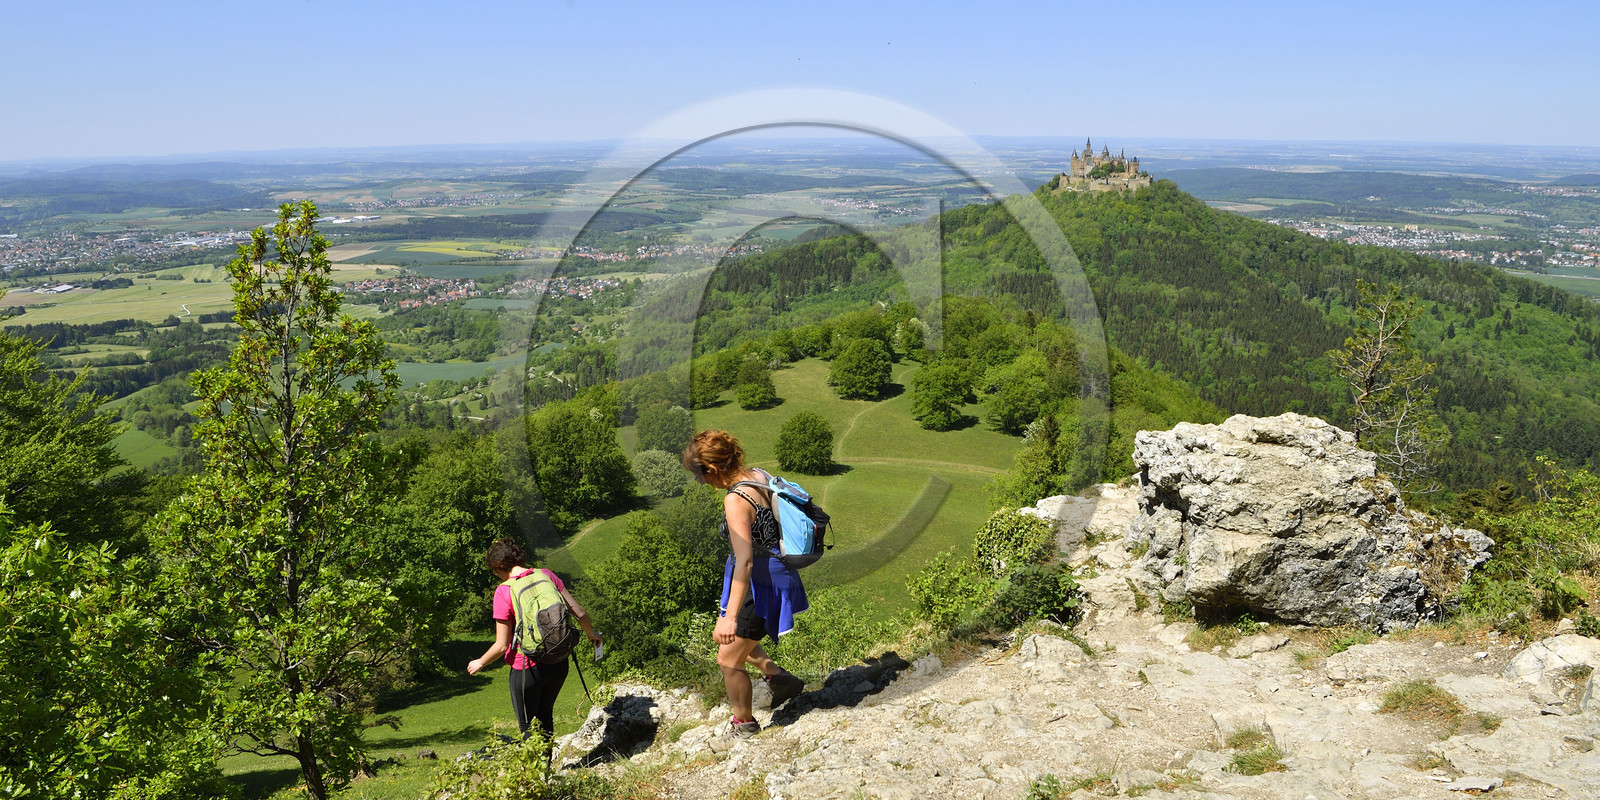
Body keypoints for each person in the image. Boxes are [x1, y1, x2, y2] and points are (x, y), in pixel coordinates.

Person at [682, 429, 807, 743]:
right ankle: (780, 679)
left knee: (727, 658)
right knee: (741, 643)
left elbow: (745, 560)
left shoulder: (736, 499)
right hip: (777, 572)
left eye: (699, 477)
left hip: (758, 583)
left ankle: (744, 725)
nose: (700, 482)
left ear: (711, 470)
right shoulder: (759, 476)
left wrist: (730, 615)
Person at [467, 537, 601, 742]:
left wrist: (480, 662)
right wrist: (593, 635)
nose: (495, 576)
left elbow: (502, 645)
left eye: (493, 571)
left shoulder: (504, 591)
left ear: (499, 567)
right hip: (558, 662)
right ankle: (546, 772)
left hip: (527, 668)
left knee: (528, 726)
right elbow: (580, 614)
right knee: (546, 716)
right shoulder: (546, 575)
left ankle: (536, 773)